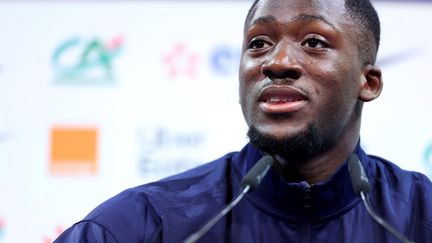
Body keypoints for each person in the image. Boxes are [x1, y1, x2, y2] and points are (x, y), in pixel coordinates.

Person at [55, 0, 432, 242]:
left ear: (368, 82)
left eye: (314, 42)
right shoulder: (144, 225)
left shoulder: (421, 215)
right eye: (259, 43)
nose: (277, 62)